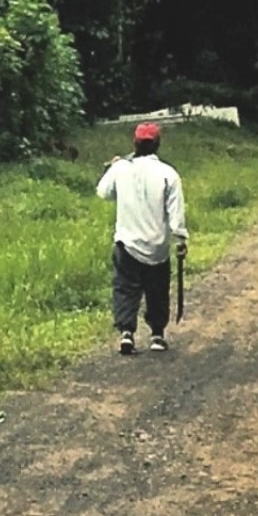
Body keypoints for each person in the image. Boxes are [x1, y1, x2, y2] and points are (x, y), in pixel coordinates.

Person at [95, 121, 188, 354]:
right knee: (157, 290)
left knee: (125, 287)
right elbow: (176, 213)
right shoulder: (169, 173)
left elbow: (103, 192)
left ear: (135, 143)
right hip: (157, 245)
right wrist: (180, 239)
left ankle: (127, 333)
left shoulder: (121, 168)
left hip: (127, 242)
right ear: (157, 144)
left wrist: (113, 167)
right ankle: (157, 335)